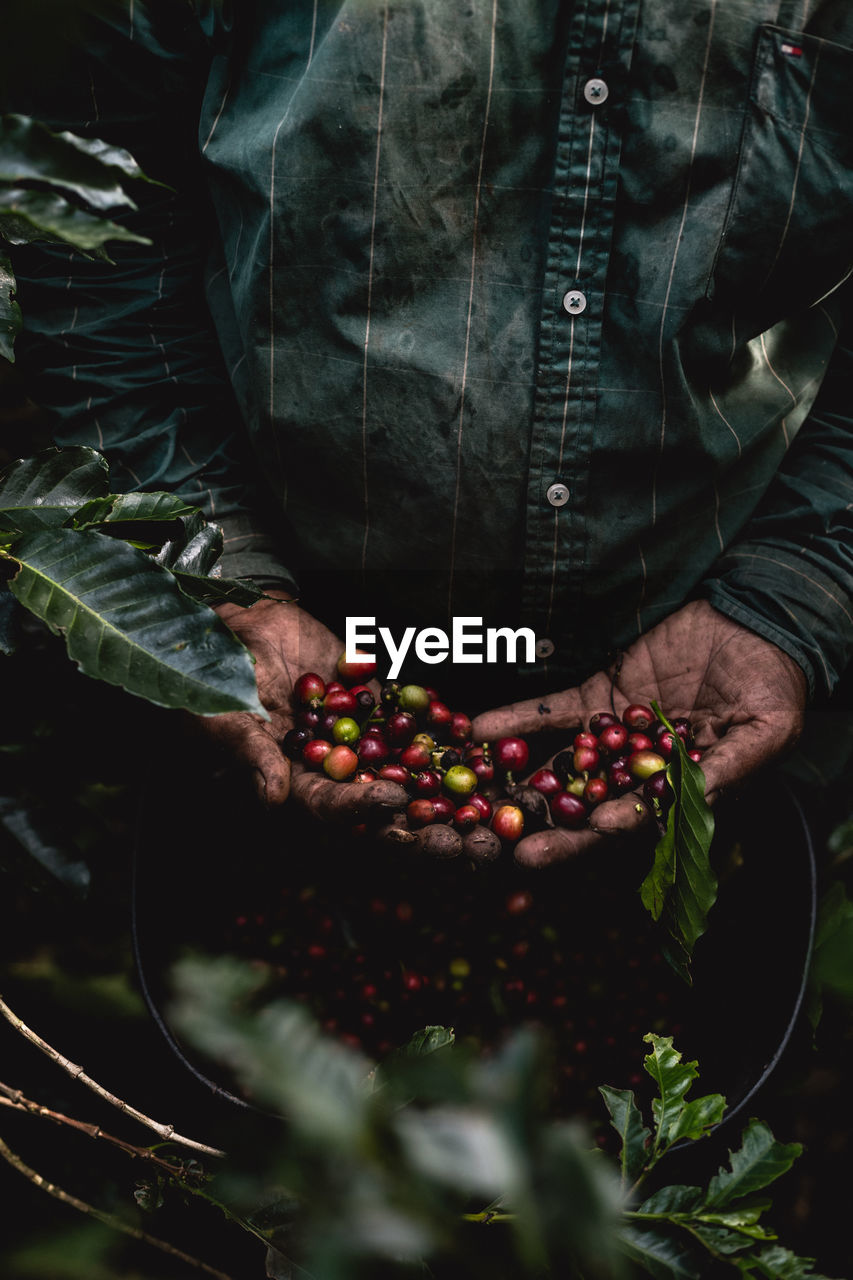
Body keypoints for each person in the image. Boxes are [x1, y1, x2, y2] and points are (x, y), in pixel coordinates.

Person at [7, 0, 853, 865]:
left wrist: (789, 598)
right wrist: (209, 565)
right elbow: (87, 228)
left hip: (718, 668)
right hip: (284, 637)